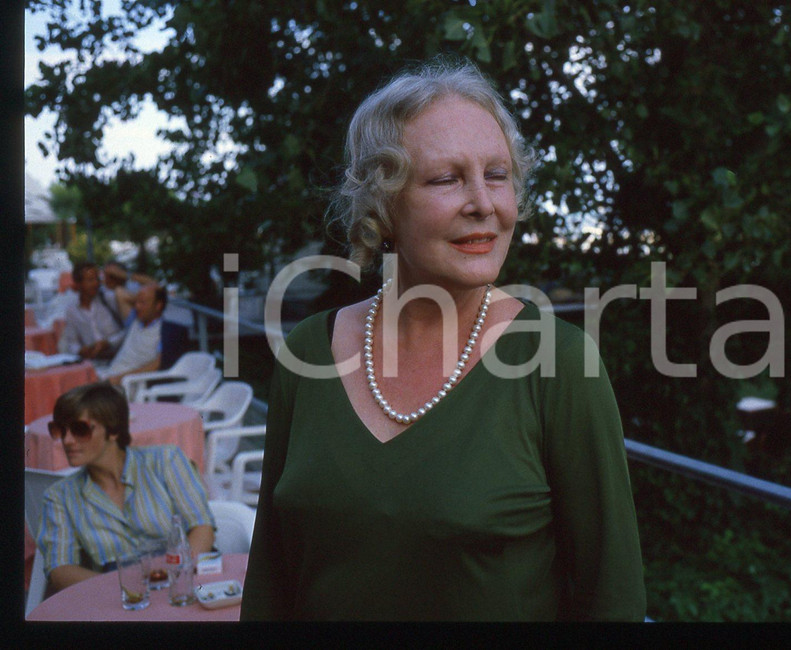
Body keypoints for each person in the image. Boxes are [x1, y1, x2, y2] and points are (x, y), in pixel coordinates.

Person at [242, 58, 646, 621]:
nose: (484, 203)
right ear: (383, 206)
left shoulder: (560, 364)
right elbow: (269, 578)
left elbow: (612, 598)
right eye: (447, 178)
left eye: (497, 175)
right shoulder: (308, 354)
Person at [34, 382, 215, 594]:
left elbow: (202, 527)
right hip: (116, 595)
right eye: (59, 430)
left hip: (182, 582)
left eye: (79, 429)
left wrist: (174, 577)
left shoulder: (166, 461)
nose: (67, 440)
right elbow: (60, 569)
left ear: (112, 431)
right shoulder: (59, 496)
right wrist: (128, 586)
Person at [96, 283, 167, 385]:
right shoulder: (134, 321)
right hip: (109, 375)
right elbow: (120, 292)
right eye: (136, 302)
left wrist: (119, 378)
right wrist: (141, 297)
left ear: (158, 306)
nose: (137, 306)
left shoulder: (164, 330)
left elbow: (156, 365)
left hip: (130, 383)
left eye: (143, 302)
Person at [57, 261, 126, 359]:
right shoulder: (72, 310)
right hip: (95, 361)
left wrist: (109, 343)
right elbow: (72, 342)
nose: (96, 283)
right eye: (90, 280)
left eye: (97, 279)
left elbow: (128, 330)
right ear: (78, 284)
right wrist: (81, 350)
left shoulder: (109, 299)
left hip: (119, 356)